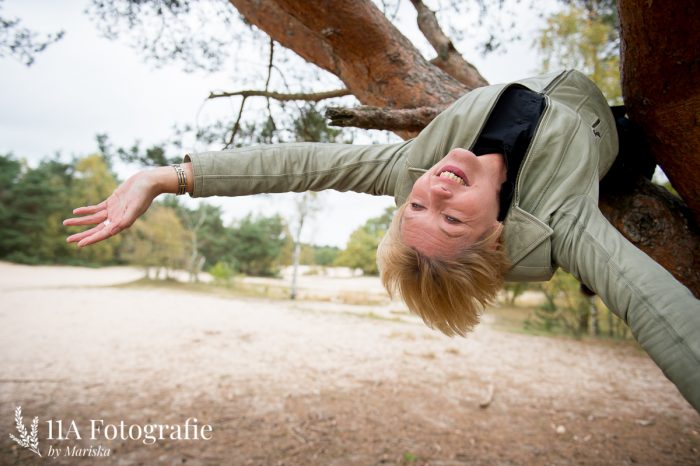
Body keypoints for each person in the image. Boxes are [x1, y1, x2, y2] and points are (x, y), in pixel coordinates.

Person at [64, 70, 700, 412]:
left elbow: (306, 164)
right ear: (496, 233)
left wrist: (169, 177)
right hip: (610, 135)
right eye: (451, 219)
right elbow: (657, 312)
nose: (438, 191)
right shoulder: (564, 224)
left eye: (420, 206)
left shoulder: (413, 172)